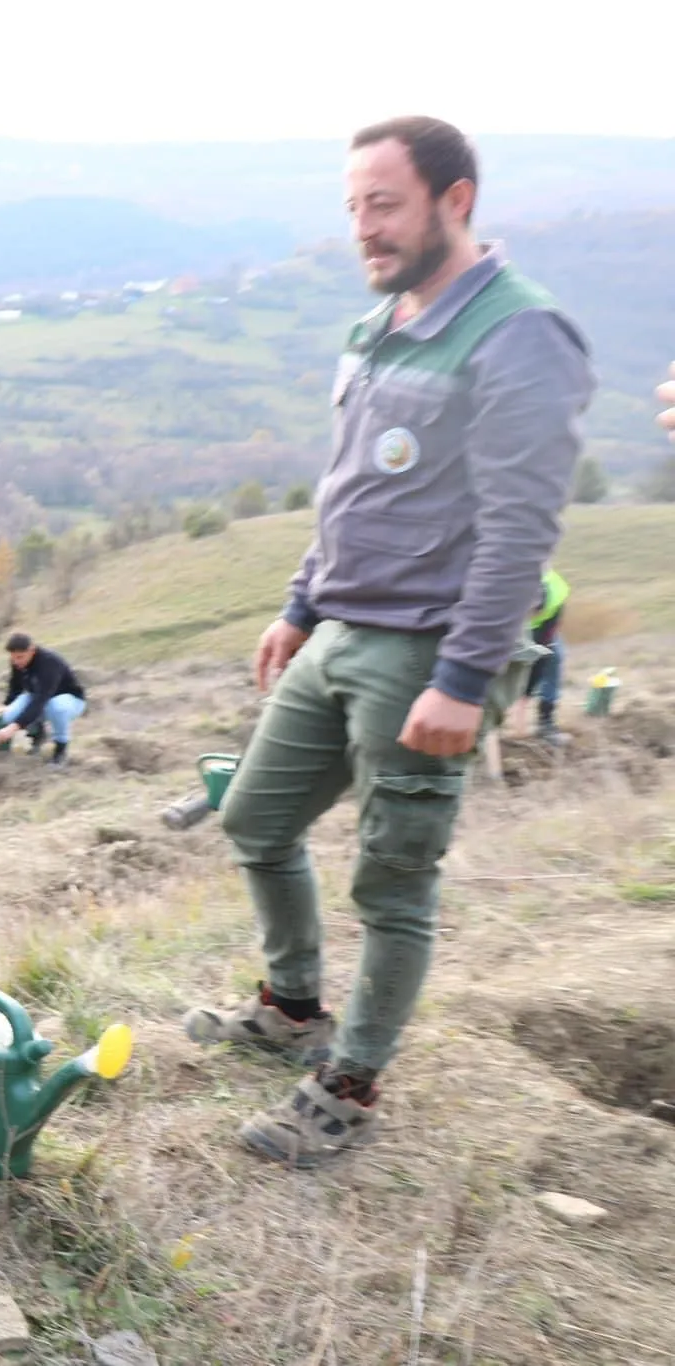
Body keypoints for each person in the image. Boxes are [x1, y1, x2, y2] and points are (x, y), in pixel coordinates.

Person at [185, 116, 595, 1168]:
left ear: (454, 201)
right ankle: (289, 1005)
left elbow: (518, 528)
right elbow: (350, 492)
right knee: (253, 818)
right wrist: (295, 603)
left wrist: (462, 678)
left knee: (392, 882)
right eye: (353, 208)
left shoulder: (517, 336)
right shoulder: (382, 323)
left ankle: (349, 1082)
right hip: (338, 629)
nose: (364, 229)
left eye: (384, 204)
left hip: (425, 653)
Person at [0, 633, 86, 766]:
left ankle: (60, 749)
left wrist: (12, 728)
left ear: (32, 651)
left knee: (56, 708)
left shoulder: (49, 662)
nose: (16, 662)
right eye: (13, 658)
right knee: (9, 714)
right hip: (40, 699)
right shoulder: (17, 663)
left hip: (69, 700)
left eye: (20, 657)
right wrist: (6, 706)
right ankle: (37, 732)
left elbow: (41, 700)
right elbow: (15, 688)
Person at [523, 566, 568, 744]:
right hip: (504, 624)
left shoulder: (556, 591)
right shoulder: (503, 588)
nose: (531, 612)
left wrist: (526, 693)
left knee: (554, 656)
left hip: (542, 629)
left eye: (535, 609)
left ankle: (545, 721)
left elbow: (544, 647)